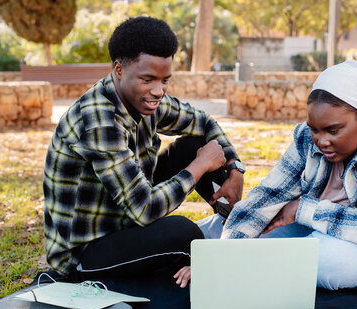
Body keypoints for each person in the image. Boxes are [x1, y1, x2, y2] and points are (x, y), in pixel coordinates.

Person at [195, 61, 357, 302]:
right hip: (316, 227)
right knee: (226, 229)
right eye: (315, 129)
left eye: (333, 130)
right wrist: (226, 253)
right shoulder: (305, 136)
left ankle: (254, 262)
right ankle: (248, 259)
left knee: (328, 263)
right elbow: (269, 195)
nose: (322, 141)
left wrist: (302, 209)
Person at [43, 16, 244, 286]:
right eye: (148, 79)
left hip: (124, 215)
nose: (158, 91)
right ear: (118, 70)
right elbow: (144, 209)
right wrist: (198, 168)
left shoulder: (144, 98)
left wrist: (234, 167)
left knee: (194, 145)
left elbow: (204, 122)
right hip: (86, 253)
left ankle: (232, 225)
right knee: (182, 232)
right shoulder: (98, 121)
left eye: (165, 80)